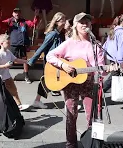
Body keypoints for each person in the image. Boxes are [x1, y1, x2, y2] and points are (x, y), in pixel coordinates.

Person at [46, 12, 117, 148]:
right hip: (70, 84)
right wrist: (63, 65)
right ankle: (71, 144)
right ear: (75, 25)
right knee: (71, 116)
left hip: (90, 83)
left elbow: (100, 69)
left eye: (87, 22)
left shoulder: (96, 45)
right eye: (81, 22)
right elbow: (50, 56)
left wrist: (108, 69)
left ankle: (92, 143)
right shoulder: (69, 43)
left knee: (93, 115)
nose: (85, 24)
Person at [27, 12, 66, 108]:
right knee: (61, 80)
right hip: (51, 62)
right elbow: (42, 47)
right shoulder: (52, 34)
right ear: (57, 22)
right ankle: (67, 103)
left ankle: (37, 100)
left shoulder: (59, 34)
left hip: (56, 61)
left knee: (48, 80)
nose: (65, 22)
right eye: (62, 20)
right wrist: (32, 60)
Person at [0, 6, 40, 84]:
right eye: (15, 12)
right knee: (8, 60)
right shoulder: (10, 21)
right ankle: (4, 76)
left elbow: (33, 24)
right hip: (12, 44)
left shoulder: (24, 21)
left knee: (24, 60)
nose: (17, 14)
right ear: (13, 13)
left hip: (22, 44)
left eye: (18, 12)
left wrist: (36, 15)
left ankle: (26, 76)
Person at [0, 34, 28, 111]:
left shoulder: (8, 52)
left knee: (14, 90)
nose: (9, 45)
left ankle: (18, 105)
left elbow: (15, 60)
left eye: (10, 43)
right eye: (8, 43)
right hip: (0, 77)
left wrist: (26, 61)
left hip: (7, 76)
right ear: (1, 43)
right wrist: (5, 66)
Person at [102, 14, 123, 93]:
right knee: (115, 77)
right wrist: (121, 61)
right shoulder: (121, 32)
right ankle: (99, 92)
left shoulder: (113, 30)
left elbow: (106, 44)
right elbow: (121, 47)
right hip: (117, 59)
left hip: (112, 58)